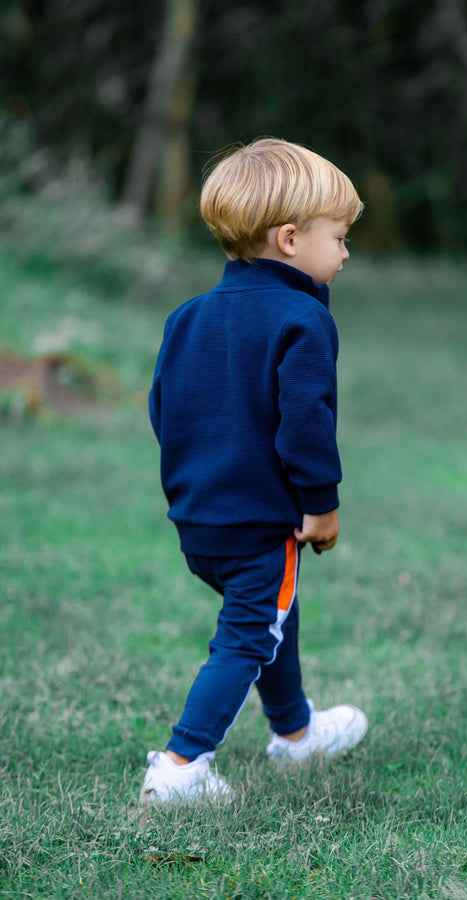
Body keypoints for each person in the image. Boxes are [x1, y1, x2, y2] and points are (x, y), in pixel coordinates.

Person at [140, 138, 368, 804]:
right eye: (341, 237)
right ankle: (181, 768)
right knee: (246, 635)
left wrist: (196, 482)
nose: (347, 254)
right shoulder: (304, 316)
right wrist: (320, 505)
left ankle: (296, 733)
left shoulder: (187, 318)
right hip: (260, 520)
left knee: (274, 612)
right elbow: (306, 423)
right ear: (292, 238)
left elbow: (166, 410)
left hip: (198, 518)